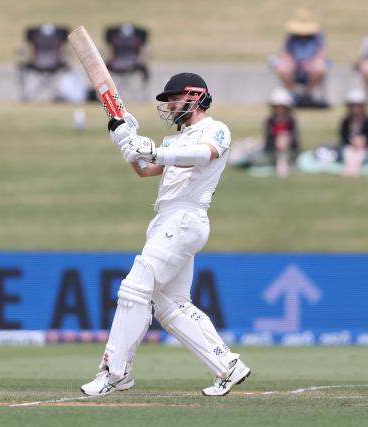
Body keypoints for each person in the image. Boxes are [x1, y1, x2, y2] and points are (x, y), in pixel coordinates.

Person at [80, 72, 251, 397]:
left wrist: (153, 150)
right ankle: (227, 365)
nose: (170, 105)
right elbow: (144, 169)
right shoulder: (173, 141)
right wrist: (126, 140)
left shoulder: (216, 129)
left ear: (195, 96)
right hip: (166, 221)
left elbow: (202, 156)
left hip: (187, 218)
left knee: (134, 288)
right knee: (170, 305)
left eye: (174, 99)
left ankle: (115, 372)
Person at [274, 9, 328, 107]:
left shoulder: (317, 37)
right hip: (295, 65)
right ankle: (292, 95)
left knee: (320, 68)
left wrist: (310, 63)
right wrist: (293, 63)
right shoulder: (291, 37)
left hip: (311, 65)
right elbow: (286, 54)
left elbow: (321, 54)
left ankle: (307, 95)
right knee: (282, 68)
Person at [338, 89, 368, 176]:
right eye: (353, 105)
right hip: (350, 146)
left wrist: (363, 141)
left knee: (362, 153)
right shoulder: (346, 120)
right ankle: (349, 169)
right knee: (348, 152)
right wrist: (352, 142)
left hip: (364, 147)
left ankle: (355, 169)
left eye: (358, 105)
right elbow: (343, 136)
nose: (355, 108)